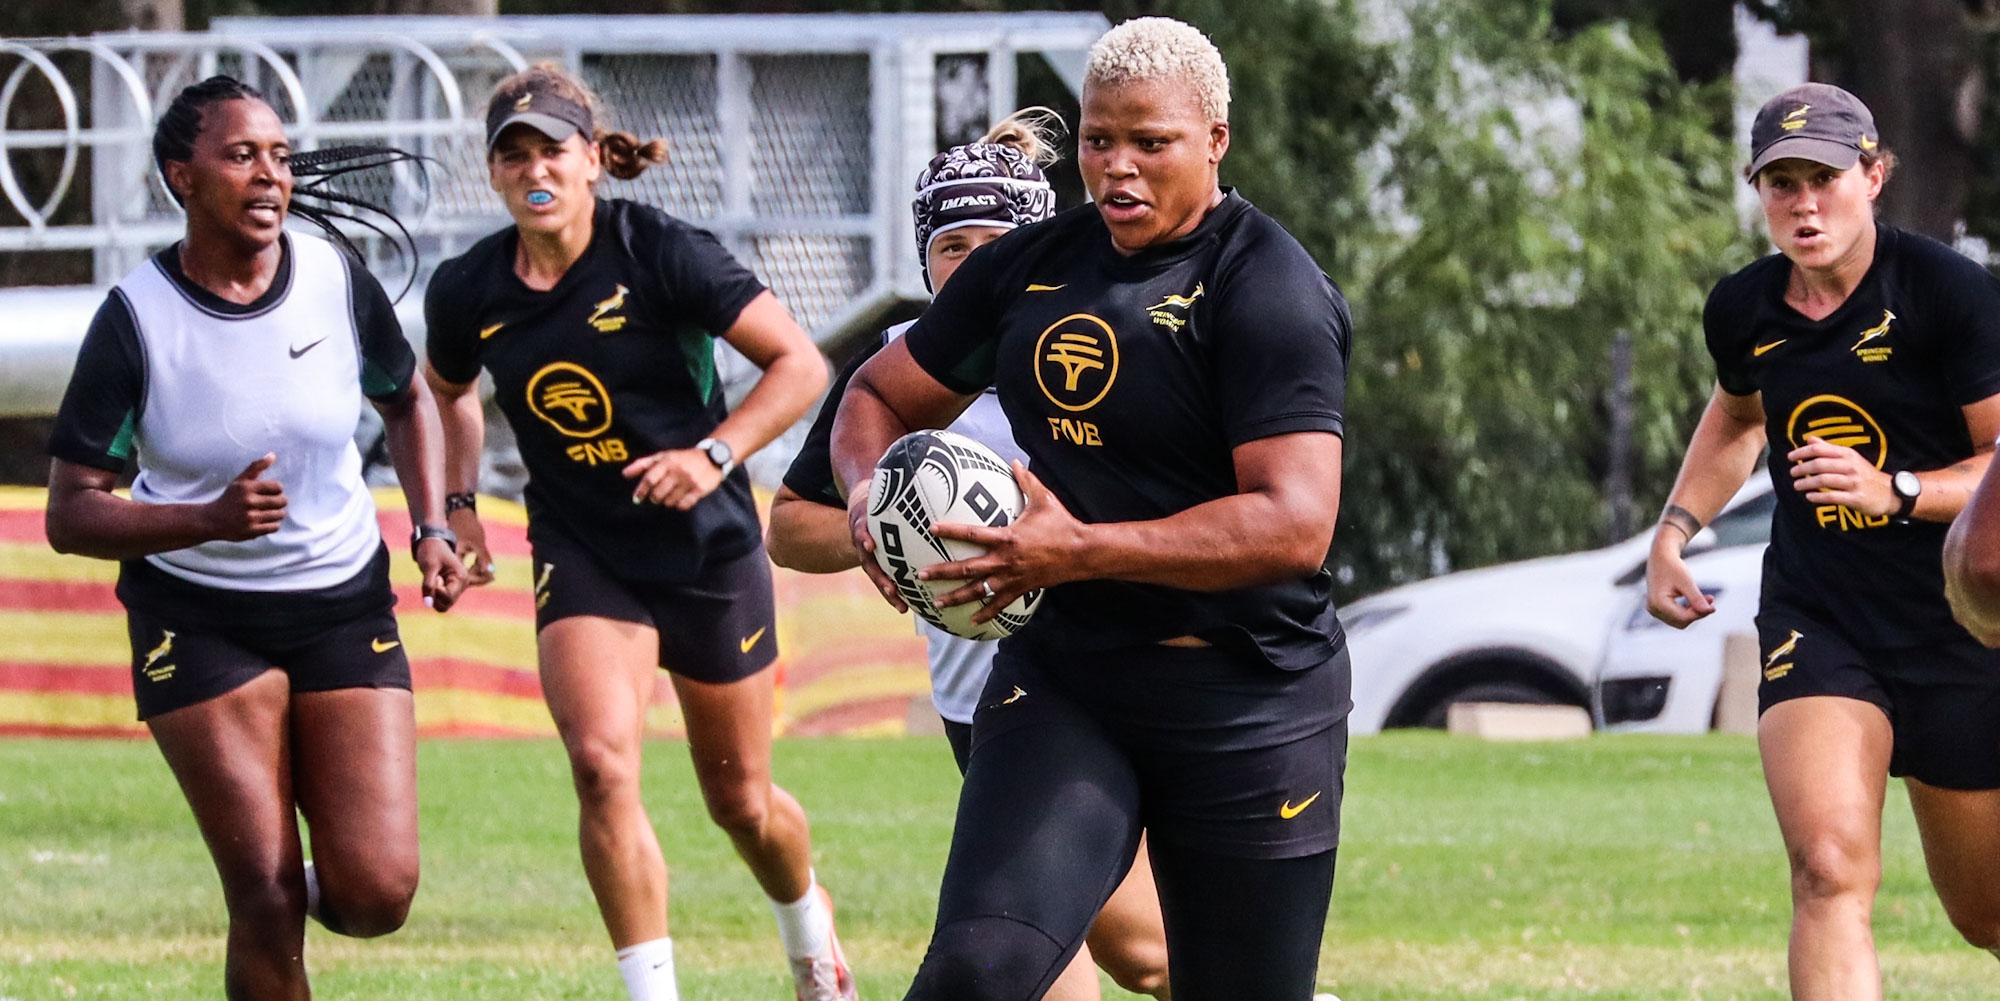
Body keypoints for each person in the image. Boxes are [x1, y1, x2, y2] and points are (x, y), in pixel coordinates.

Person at [828, 18, 1351, 1001]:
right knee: (975, 973)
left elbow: (1293, 522)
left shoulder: (1268, 288)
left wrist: (1081, 548)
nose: (1117, 167)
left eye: (1150, 142)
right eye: (1099, 139)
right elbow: (876, 395)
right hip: (1067, 681)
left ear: (1214, 140)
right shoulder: (1027, 269)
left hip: (1249, 697)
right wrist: (868, 493)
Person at [421, 63, 846, 1001]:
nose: (535, 169)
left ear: (591, 160)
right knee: (600, 764)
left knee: (741, 801)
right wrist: (457, 507)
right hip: (585, 548)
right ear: (492, 174)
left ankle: (810, 936)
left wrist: (715, 455)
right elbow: (446, 394)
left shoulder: (659, 252)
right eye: (513, 154)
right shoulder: (467, 289)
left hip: (705, 547)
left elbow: (800, 365)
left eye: (551, 150)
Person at [43, 75, 468, 1000]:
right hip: (196, 618)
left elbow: (407, 400)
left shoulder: (333, 278)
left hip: (341, 604)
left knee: (375, 891)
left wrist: (432, 525)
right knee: (266, 896)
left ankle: (279, 884)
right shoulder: (136, 321)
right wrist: (208, 518)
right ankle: (262, 892)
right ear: (182, 177)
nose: (271, 174)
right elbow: (70, 513)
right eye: (242, 156)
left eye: (279, 155)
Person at [767, 109, 1171, 1001]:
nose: (973, 264)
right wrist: (885, 530)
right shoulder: (890, 374)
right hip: (979, 709)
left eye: (995, 243)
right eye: (952, 246)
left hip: (1103, 686)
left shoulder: (1095, 347)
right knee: (1055, 967)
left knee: (1144, 951)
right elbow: (788, 525)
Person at [1646, 83, 2000, 998]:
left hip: (1961, 630)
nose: (1805, 205)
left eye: (1826, 180)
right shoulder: (1744, 308)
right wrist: (1675, 531)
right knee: (1827, 868)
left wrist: (1898, 490)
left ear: (1873, 177)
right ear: (1758, 192)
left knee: (1986, 912)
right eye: (1783, 184)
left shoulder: (1950, 293)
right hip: (1823, 618)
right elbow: (1738, 418)